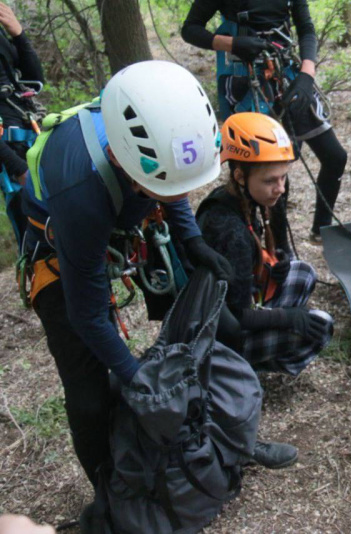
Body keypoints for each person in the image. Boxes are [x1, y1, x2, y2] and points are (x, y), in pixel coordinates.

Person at [19, 60, 233, 487]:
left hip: (119, 211)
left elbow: (171, 180)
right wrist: (137, 377)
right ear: (119, 157)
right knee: (89, 396)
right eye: (160, 187)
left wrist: (192, 240)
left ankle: (212, 437)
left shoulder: (157, 133)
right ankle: (111, 496)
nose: (176, 195)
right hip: (59, 246)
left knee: (203, 312)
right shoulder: (79, 190)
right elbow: (88, 315)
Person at [181, 0, 348, 246]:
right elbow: (191, 29)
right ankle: (278, 250)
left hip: (287, 73)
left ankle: (322, 231)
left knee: (335, 157)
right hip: (244, 80)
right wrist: (233, 43)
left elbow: (305, 27)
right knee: (273, 173)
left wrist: (306, 74)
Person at [196, 112, 333, 378]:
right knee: (321, 325)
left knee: (301, 271)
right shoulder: (228, 230)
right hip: (222, 334)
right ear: (239, 175)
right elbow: (237, 315)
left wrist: (279, 257)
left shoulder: (243, 198)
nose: (280, 188)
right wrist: (290, 318)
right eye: (270, 181)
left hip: (241, 300)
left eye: (283, 177)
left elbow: (275, 244)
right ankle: (238, 369)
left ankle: (259, 349)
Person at [0, 0, 44, 246]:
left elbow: (35, 80)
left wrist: (18, 34)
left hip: (32, 135)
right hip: (11, 156)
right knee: (36, 239)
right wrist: (18, 168)